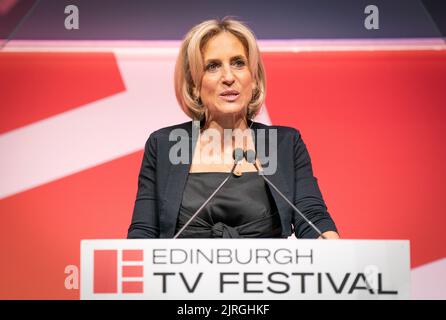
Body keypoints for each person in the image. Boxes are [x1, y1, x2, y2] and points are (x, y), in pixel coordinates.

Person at [127, 18, 339, 239]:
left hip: (265, 274)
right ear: (193, 85)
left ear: (254, 78)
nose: (228, 77)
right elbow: (144, 232)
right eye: (213, 66)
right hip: (183, 274)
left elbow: (313, 219)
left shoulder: (284, 143)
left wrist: (338, 256)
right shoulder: (165, 144)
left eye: (239, 63)